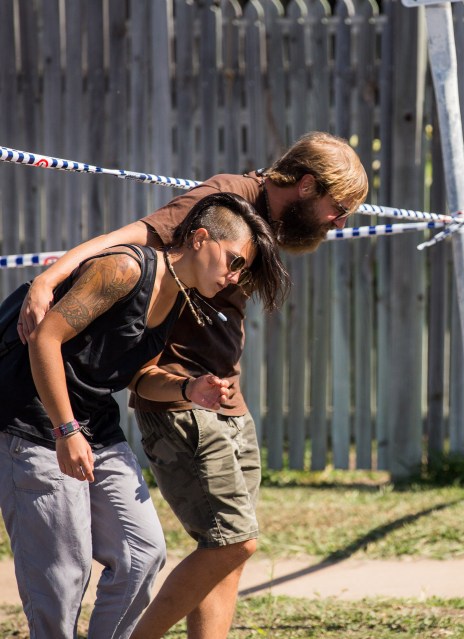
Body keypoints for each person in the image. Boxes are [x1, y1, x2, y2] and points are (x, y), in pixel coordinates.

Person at [16, 131, 369, 639]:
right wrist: (51, 278)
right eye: (339, 208)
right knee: (231, 544)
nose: (341, 222)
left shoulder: (265, 220)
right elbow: (130, 235)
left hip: (225, 401)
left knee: (227, 556)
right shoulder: (222, 200)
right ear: (308, 185)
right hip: (180, 399)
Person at [0, 192, 288, 639]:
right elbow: (45, 340)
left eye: (241, 270)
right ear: (198, 238)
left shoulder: (178, 298)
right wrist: (66, 429)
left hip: (93, 423)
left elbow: (138, 376)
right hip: (34, 422)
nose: (233, 277)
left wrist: (187, 389)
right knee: (63, 576)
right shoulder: (125, 269)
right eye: (232, 261)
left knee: (143, 553)